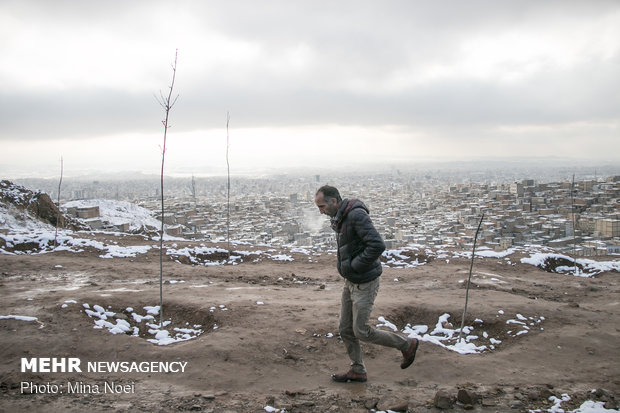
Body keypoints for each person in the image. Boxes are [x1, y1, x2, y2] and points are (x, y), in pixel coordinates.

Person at [315, 185, 419, 383]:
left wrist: (355, 265)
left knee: (361, 331)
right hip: (351, 281)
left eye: (322, 206)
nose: (321, 211)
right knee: (345, 328)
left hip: (365, 282)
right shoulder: (340, 217)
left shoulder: (355, 216)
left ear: (334, 202)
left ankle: (407, 345)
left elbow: (377, 245)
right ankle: (358, 370)